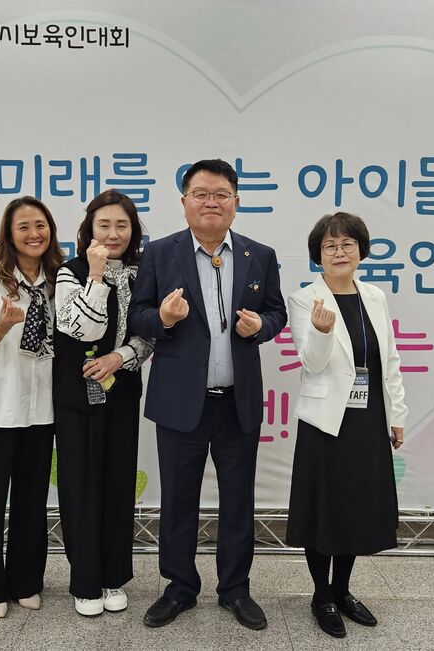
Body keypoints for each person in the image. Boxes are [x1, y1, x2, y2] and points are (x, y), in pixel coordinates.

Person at [128, 159, 287, 631]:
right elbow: (137, 315)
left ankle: (235, 589)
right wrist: (164, 319)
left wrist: (261, 327)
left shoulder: (260, 255)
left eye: (221, 194)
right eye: (201, 194)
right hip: (181, 403)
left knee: (238, 501)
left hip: (237, 401)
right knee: (178, 501)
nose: (211, 202)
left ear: (236, 202)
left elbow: (277, 313)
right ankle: (179, 587)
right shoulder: (160, 253)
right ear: (184, 202)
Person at [285, 212, 407, 639]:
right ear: (318, 255)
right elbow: (311, 362)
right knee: (324, 508)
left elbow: (388, 359)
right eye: (330, 246)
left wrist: (397, 415)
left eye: (347, 244)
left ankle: (343, 590)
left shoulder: (374, 295)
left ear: (360, 250)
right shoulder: (306, 299)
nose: (339, 252)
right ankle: (322, 596)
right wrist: (321, 331)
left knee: (355, 506)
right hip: (325, 421)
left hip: (367, 417)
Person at [0, 196, 63, 618]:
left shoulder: (60, 281)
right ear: (9, 234)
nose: (34, 234)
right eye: (24, 227)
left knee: (32, 499)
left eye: (40, 225)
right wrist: (1, 326)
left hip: (41, 408)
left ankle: (25, 580)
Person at [53, 190, 153, 617]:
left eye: (122, 225)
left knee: (117, 484)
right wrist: (96, 275)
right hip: (77, 397)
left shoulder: (143, 273)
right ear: (89, 229)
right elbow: (81, 330)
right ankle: (85, 582)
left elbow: (150, 334)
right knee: (80, 486)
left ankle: (113, 576)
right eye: (104, 225)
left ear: (133, 231)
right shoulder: (69, 272)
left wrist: (121, 357)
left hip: (122, 392)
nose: (114, 233)